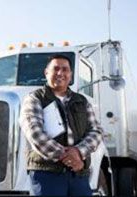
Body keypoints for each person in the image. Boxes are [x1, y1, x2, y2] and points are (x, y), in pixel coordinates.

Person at [19, 54, 103, 196]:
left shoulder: (82, 101)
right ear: (46, 73)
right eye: (55, 69)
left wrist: (78, 152)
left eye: (65, 69)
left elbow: (96, 131)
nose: (60, 73)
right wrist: (68, 157)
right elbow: (34, 132)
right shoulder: (34, 98)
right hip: (47, 174)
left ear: (70, 74)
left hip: (78, 173)